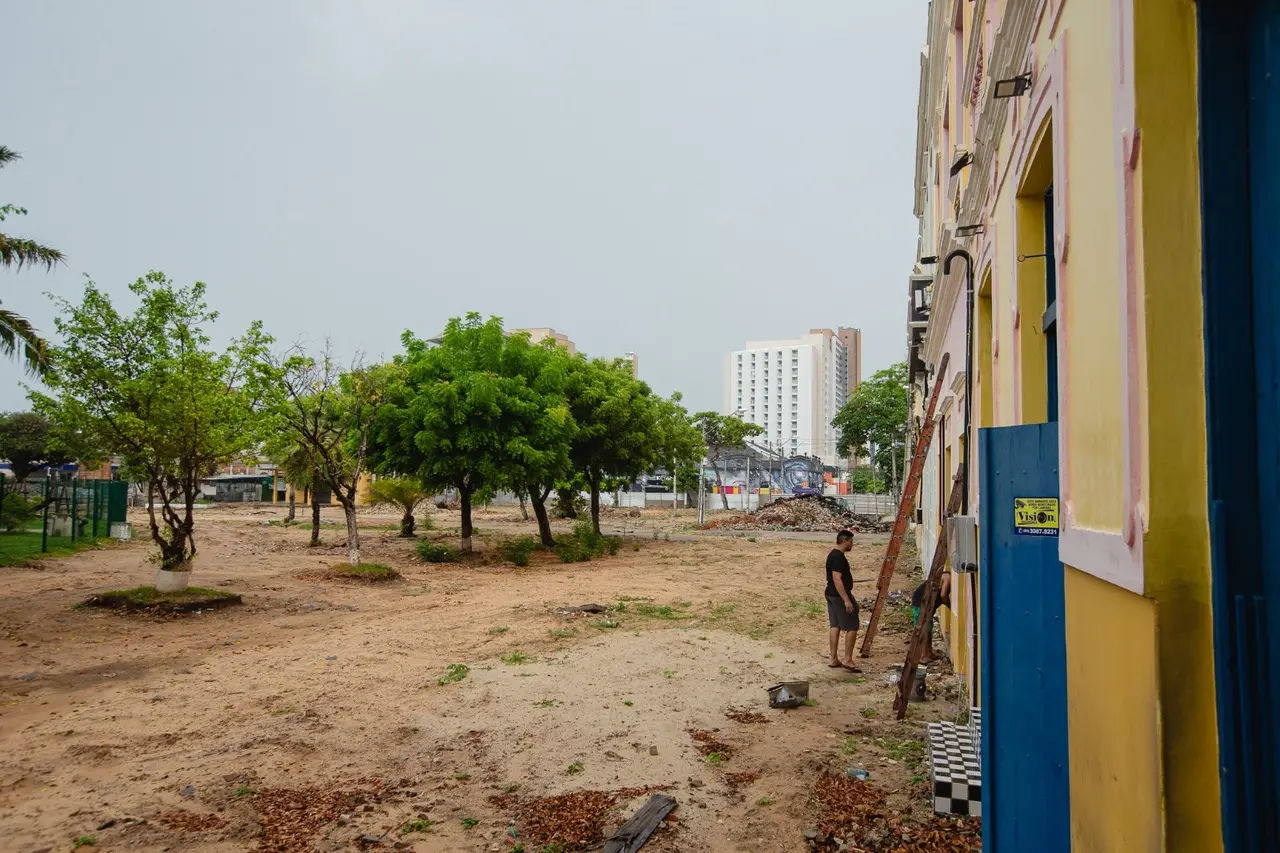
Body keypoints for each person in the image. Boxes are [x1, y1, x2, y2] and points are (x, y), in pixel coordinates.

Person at [825, 529, 861, 672]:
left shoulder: (832, 554)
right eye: (851, 542)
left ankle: (834, 658)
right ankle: (848, 659)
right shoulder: (839, 557)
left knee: (835, 625)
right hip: (839, 595)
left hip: (830, 593)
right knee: (852, 625)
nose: (852, 545)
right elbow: (836, 579)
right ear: (844, 541)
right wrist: (846, 600)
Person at [911, 572, 952, 662]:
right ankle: (923, 655)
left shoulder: (944, 576)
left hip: (926, 603)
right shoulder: (947, 577)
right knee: (924, 629)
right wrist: (951, 607)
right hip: (921, 602)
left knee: (928, 629)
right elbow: (943, 595)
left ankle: (929, 654)